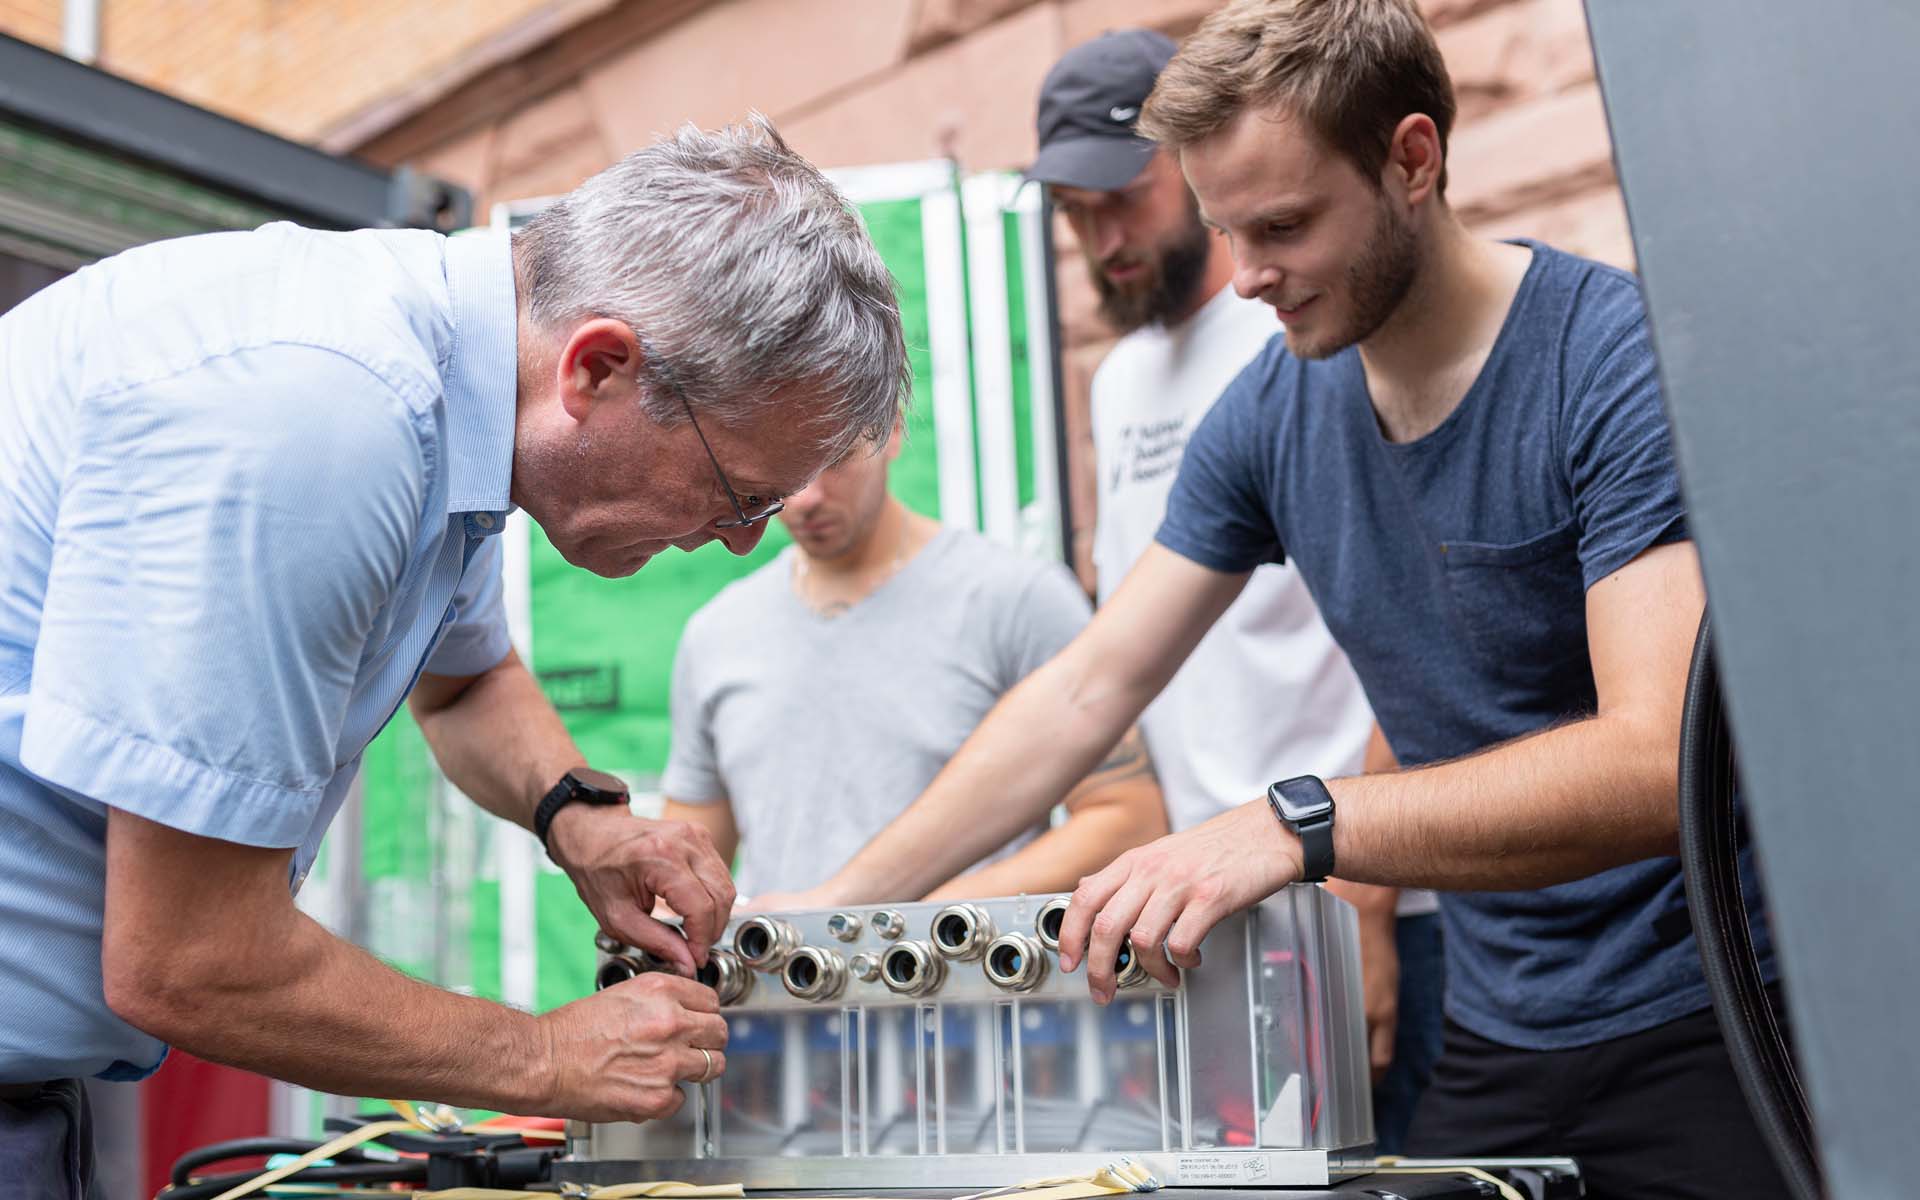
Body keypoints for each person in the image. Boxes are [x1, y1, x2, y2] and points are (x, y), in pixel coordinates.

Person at [786, 4, 1787, 1197]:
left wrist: (1297, 823)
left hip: (1711, 1018)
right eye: (1225, 229)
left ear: (1413, 160)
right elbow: (1091, 684)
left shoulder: (1607, 360)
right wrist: (835, 912)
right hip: (1500, 1027)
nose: (1247, 275)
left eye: (1284, 226)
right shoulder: (1274, 410)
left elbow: (1648, 764)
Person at [0, 115, 907, 1192]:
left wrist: (583, 817)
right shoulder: (320, 415)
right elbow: (190, 960)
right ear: (600, 367)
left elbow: (467, 681)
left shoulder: (441, 392)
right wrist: (549, 1057)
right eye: (740, 491)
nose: (743, 537)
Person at [1023, 28, 1441, 1153]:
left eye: (1123, 197)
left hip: (1365, 891)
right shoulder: (1115, 384)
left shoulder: (1310, 324)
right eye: (1073, 211)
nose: (1103, 238)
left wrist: (1365, 906)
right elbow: (1120, 664)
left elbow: (1412, 625)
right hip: (1206, 914)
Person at [661, 420, 1167, 903]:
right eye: (781, 470)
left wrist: (913, 921)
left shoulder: (1013, 597)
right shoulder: (716, 632)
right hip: (779, 987)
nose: (805, 498)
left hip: (960, 982)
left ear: (893, 429)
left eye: (832, 458)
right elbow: (688, 863)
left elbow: (1125, 817)